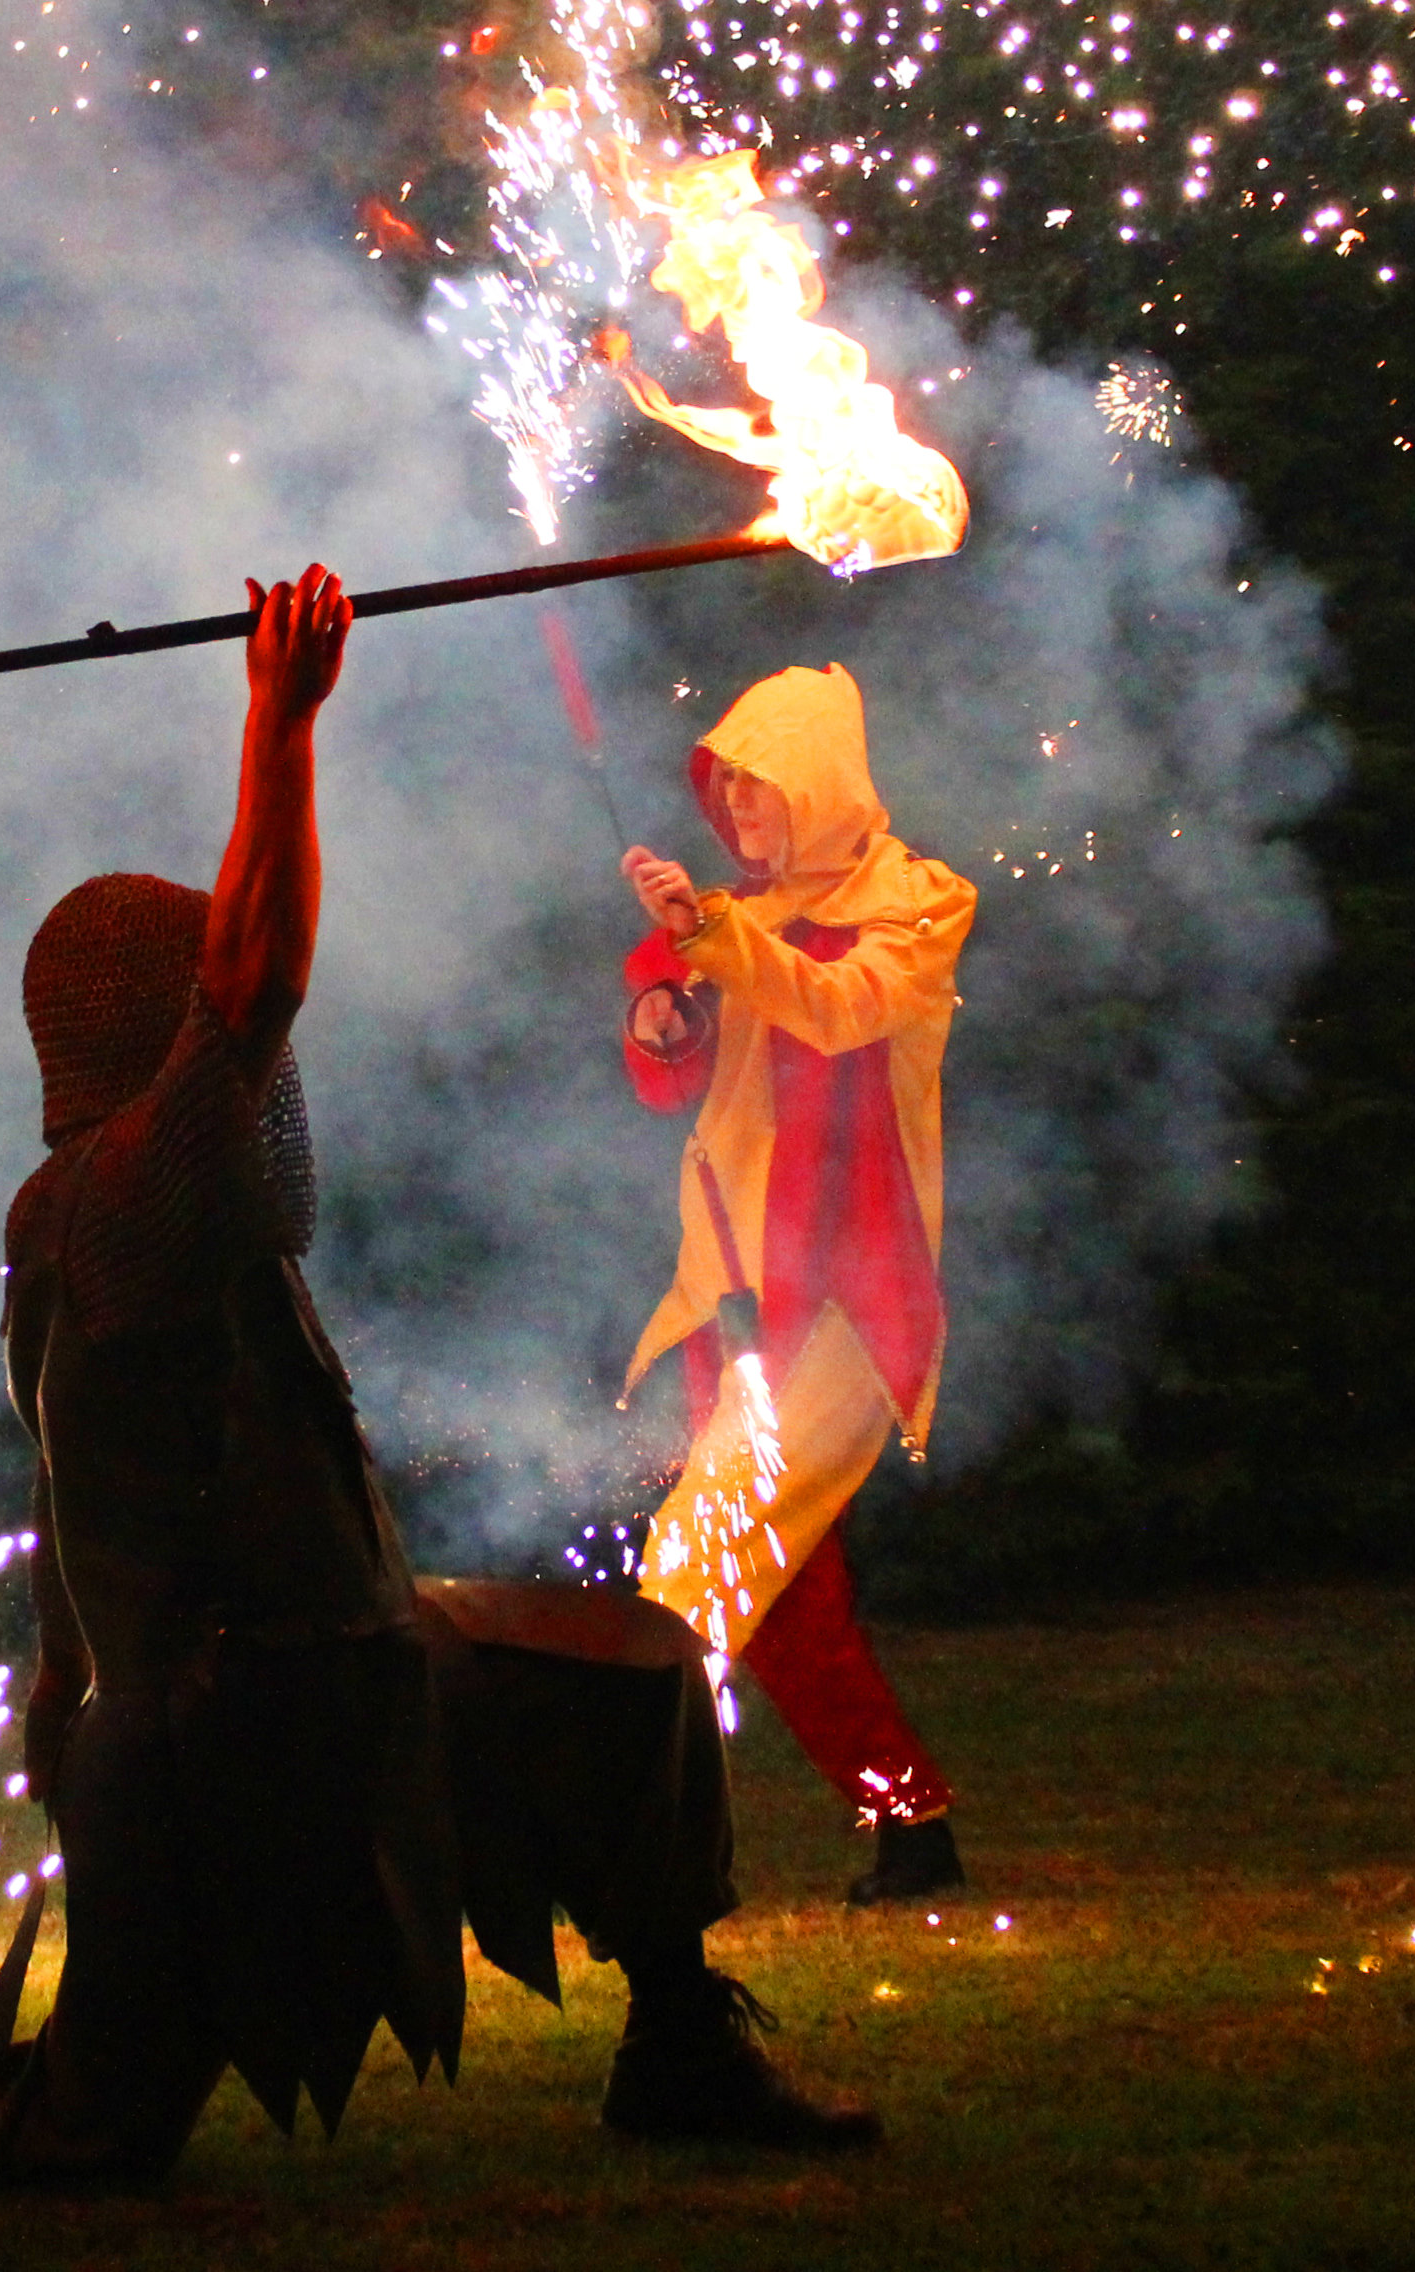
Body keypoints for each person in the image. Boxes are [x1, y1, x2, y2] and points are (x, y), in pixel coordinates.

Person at [0, 567, 873, 2180]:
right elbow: (253, 988)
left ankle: (679, 2049)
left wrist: (57, 1678)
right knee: (87, 2134)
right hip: (225, 1731)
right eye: (200, 1022)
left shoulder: (165, 1217)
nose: (241, 1059)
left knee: (628, 1670)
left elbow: (81, 1491)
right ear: (149, 1034)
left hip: (357, 1654)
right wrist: (281, 719)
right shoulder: (121, 1204)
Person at [615, 663, 977, 1905]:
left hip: (846, 1308)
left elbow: (837, 1010)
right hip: (728, 1300)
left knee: (692, 1570)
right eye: (725, 790)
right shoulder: (730, 918)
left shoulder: (920, 902)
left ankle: (618, 1844)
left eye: (757, 786)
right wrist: (665, 1019)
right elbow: (675, 1069)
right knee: (783, 1600)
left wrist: (708, 940)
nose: (737, 813)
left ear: (816, 783)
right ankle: (910, 1822)